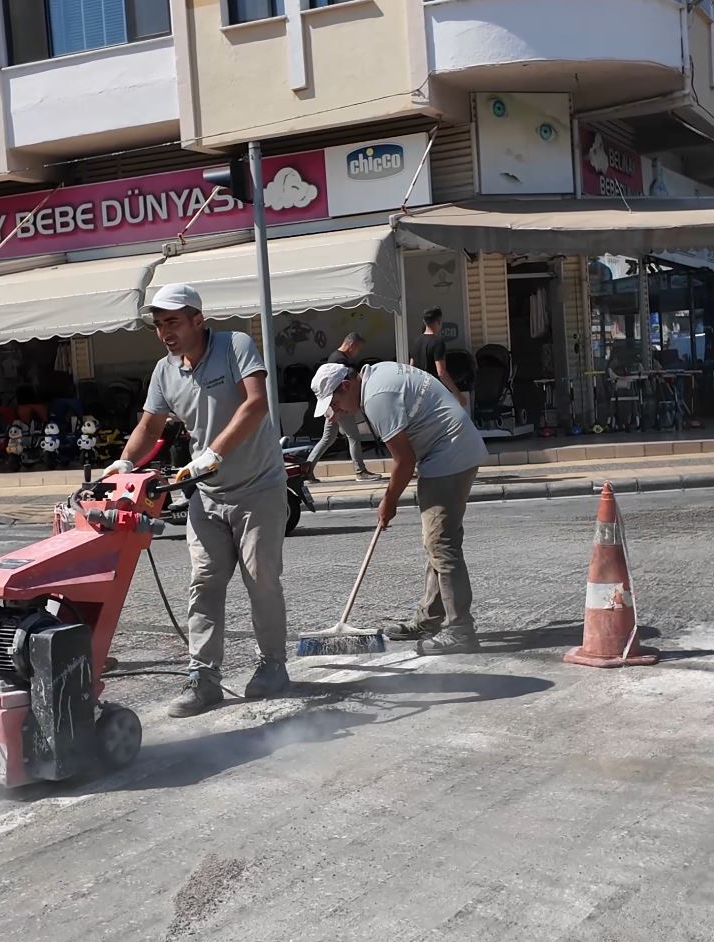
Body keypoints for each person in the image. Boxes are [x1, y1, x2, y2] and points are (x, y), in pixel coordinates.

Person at [105, 283, 290, 717]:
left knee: (260, 578)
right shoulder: (165, 371)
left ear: (197, 320)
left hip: (258, 486)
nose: (165, 331)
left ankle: (272, 666)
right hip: (206, 495)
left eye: (172, 321)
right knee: (204, 583)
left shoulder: (235, 346)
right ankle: (204, 678)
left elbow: (257, 404)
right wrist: (125, 463)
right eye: (158, 324)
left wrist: (214, 452)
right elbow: (150, 427)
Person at [311, 360, 487, 654]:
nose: (337, 410)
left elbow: (404, 461)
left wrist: (389, 501)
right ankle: (429, 618)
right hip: (450, 451)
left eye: (336, 402)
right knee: (438, 541)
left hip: (450, 454)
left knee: (441, 543)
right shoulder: (377, 377)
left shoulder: (378, 398)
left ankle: (460, 631)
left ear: (346, 385)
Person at [305, 333, 382, 483]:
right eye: (358, 349)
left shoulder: (336, 357)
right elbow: (337, 389)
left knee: (327, 439)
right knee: (353, 437)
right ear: (351, 345)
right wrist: (335, 410)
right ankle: (360, 471)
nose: (357, 353)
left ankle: (306, 471)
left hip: (334, 406)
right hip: (340, 406)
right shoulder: (340, 360)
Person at [411, 307, 464, 405]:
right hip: (433, 392)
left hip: (418, 392)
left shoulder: (416, 342)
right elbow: (441, 373)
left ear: (424, 321)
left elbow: (411, 368)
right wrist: (458, 394)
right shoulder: (438, 343)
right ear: (439, 322)